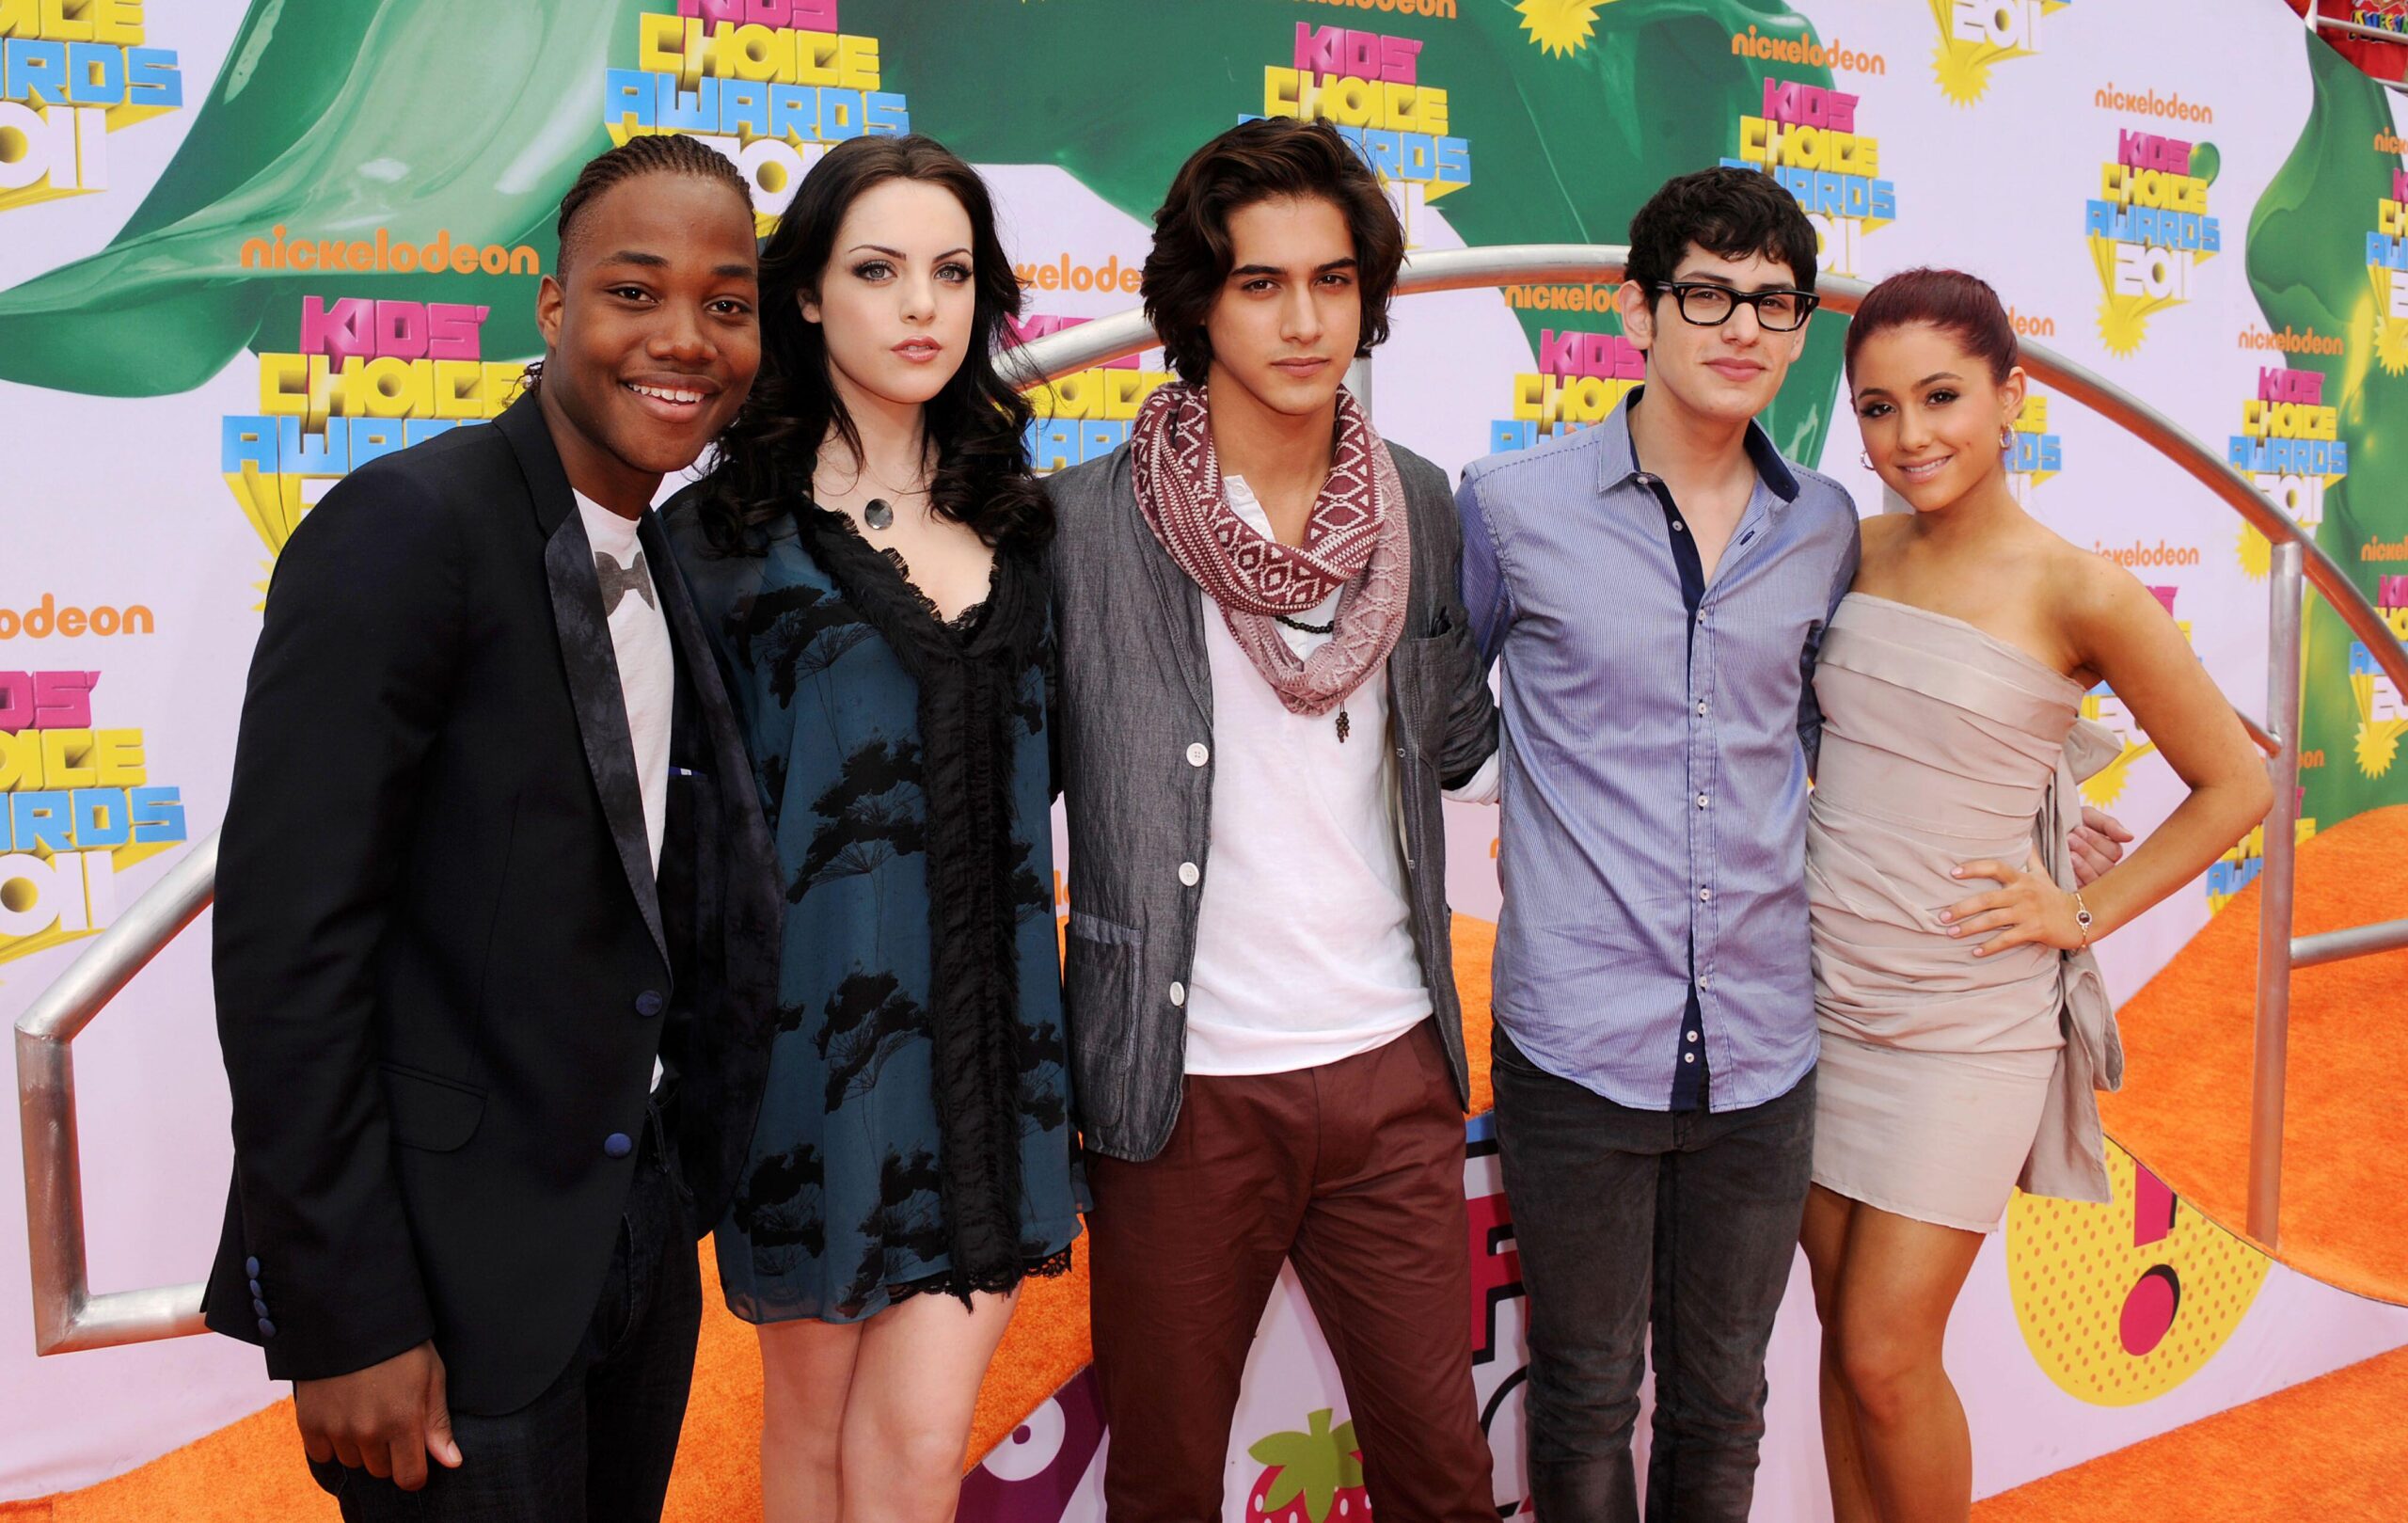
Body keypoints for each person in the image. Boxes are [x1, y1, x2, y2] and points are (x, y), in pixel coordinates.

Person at [1450, 169, 2129, 1522]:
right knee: (1585, 1394)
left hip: (1770, 1042)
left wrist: (2041, 811)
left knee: (1725, 1400)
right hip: (1578, 1032)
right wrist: (1544, 808)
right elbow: (1441, 710)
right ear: (1637, 310)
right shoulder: (1511, 504)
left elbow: (1859, 714)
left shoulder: (1823, 527)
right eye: (1707, 294)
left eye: (1773, 302)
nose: (1742, 326)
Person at [202, 135, 779, 1521]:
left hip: (630, 1238)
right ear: (553, 306)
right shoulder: (409, 524)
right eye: (634, 292)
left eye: (727, 303)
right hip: (440, 1281)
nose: (684, 338)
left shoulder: (664, 553)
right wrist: (347, 1315)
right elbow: (288, 953)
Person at [1047, 116, 1501, 1523]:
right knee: (1167, 1482)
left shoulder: (1418, 501)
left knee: (1445, 1476)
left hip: (1392, 1069)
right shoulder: (1081, 529)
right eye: (1261, 283)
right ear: (1199, 304)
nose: (1305, 321)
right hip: (1179, 1086)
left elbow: (1465, 745)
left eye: (1333, 281)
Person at [1800, 268, 2272, 1523]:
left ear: (2012, 397)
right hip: (1820, 989)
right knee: (1843, 1339)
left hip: (1969, 1016)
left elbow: (2237, 784)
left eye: (1943, 397)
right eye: (1879, 408)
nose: (1912, 436)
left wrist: (2079, 911)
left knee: (1886, 1350)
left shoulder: (2082, 589)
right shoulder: (1848, 549)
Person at [663, 134, 1079, 1523]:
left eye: (952, 273)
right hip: (811, 1060)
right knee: (810, 1440)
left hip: (1001, 1058)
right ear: (805, 295)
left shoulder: (1027, 524)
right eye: (878, 270)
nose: (921, 306)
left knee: (913, 1457)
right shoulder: (721, 542)